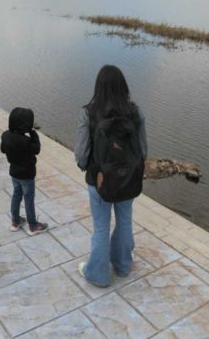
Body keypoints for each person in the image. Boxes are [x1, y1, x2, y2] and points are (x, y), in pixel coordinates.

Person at [73, 65, 148, 287]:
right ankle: (123, 266)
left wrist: (88, 167)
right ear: (123, 85)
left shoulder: (88, 113)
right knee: (124, 221)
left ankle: (98, 274)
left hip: (99, 180)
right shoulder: (135, 112)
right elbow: (143, 150)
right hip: (128, 180)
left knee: (101, 228)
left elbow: (81, 154)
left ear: (98, 86)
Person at [0, 107, 48, 236]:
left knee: (16, 195)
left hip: (14, 172)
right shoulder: (26, 141)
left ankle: (15, 221)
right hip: (27, 174)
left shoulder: (5, 135)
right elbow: (36, 149)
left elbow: (3, 149)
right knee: (28, 199)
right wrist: (33, 133)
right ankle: (33, 225)